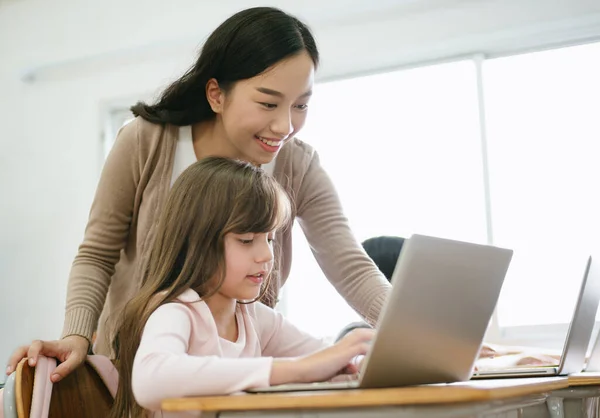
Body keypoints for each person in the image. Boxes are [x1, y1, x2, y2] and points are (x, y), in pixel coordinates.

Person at [6, 6, 390, 382]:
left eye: (301, 105)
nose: (285, 125)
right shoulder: (146, 142)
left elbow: (350, 266)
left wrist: (412, 338)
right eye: (268, 103)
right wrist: (77, 334)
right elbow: (97, 253)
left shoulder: (297, 165)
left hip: (231, 378)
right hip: (134, 369)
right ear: (216, 94)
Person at [109, 157, 373, 418]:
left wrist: (357, 360)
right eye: (246, 240)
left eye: (269, 238)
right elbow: (151, 380)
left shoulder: (252, 316)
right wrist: (298, 369)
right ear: (196, 242)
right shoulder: (177, 310)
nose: (267, 255)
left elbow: (324, 357)